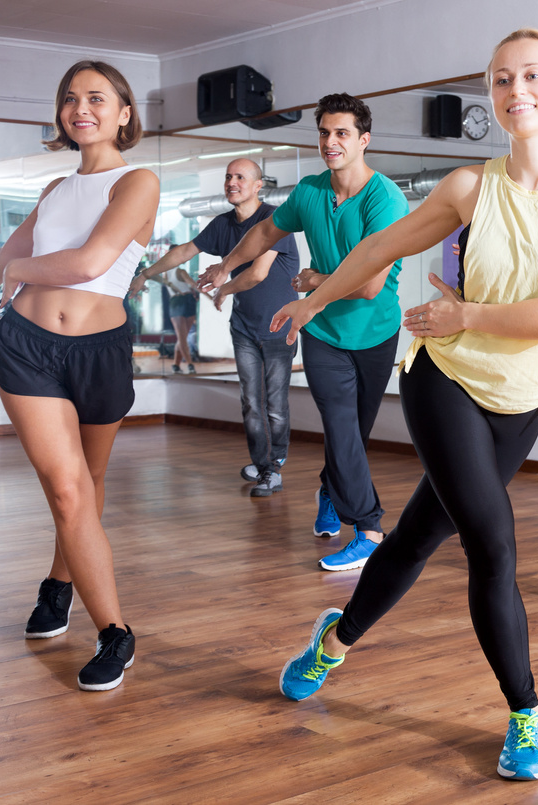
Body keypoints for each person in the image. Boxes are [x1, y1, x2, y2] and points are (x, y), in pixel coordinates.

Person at [269, 28, 538, 781]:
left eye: (533, 76)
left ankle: (333, 641)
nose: (515, 90)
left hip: (525, 398)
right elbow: (377, 251)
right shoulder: (472, 186)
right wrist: (313, 305)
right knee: (492, 545)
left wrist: (469, 314)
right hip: (447, 380)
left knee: (415, 535)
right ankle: (527, 712)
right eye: (501, 79)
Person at [0, 60, 157, 691]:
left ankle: (59, 583)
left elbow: (91, 262)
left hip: (100, 350)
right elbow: (8, 253)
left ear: (124, 113)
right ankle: (115, 631)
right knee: (67, 490)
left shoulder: (139, 182)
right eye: (71, 99)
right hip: (29, 348)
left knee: (89, 481)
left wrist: (15, 275)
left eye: (98, 98)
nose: (82, 108)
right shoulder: (55, 189)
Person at [200, 93, 407, 568]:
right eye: (324, 133)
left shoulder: (385, 199)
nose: (330, 142)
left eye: (342, 133)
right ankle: (370, 530)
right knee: (340, 426)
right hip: (322, 333)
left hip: (375, 331)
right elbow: (264, 234)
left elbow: (371, 285)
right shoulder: (310, 192)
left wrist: (314, 285)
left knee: (353, 433)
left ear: (363, 140)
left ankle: (330, 493)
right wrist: (225, 265)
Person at [131, 158, 301, 495]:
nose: (232, 182)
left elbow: (257, 273)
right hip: (245, 328)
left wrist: (224, 285)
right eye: (228, 177)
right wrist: (145, 273)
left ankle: (275, 465)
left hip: (280, 326)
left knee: (275, 404)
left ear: (257, 186)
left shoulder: (274, 220)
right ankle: (263, 465)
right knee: (251, 401)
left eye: (240, 177)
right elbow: (185, 251)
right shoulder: (222, 225)